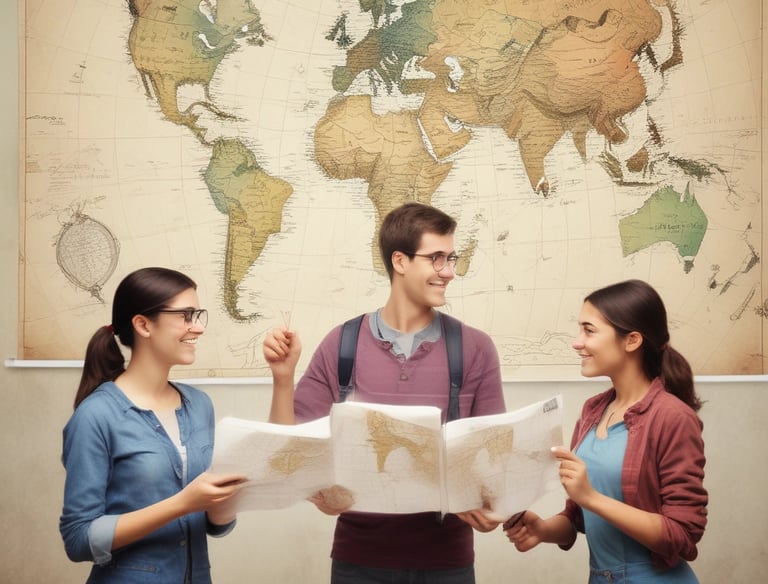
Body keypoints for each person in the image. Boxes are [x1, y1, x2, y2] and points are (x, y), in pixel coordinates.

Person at [264, 202, 506, 583]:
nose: (449, 272)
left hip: (448, 564)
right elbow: (288, 453)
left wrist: (489, 505)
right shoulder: (341, 344)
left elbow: (493, 463)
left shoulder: (476, 348)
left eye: (451, 258)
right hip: (358, 562)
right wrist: (282, 377)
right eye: (437, 258)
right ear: (400, 261)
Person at [504, 279, 707, 582]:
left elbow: (682, 535)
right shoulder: (593, 410)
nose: (577, 341)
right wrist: (544, 529)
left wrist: (592, 497)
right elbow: (578, 516)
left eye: (589, 330)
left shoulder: (673, 417)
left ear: (632, 340)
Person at [60, 267, 247, 583]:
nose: (198, 328)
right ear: (143, 324)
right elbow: (79, 539)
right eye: (186, 315)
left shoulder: (199, 405)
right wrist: (183, 503)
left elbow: (216, 525)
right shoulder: (96, 416)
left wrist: (225, 500)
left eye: (198, 314)